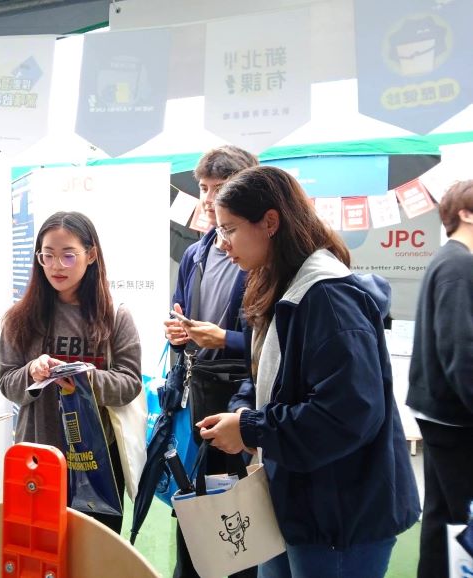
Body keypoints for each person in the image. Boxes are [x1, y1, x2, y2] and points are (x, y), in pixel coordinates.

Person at [198, 165, 420, 578]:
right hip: (295, 499)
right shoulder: (283, 286)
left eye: (228, 229)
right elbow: (265, 372)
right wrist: (244, 411)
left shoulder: (328, 298)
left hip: (339, 514)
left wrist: (252, 428)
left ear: (269, 222)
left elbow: (348, 414)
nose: (221, 244)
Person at [0, 211, 142, 533]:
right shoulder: (20, 318)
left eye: (67, 256)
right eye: (47, 256)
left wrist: (86, 378)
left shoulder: (115, 315)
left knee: (93, 556)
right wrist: (32, 373)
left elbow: (130, 382)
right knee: (39, 551)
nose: (55, 266)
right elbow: (8, 383)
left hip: (96, 462)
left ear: (91, 255)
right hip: (38, 456)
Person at [163, 145, 258, 578]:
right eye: (204, 188)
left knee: (242, 511)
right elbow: (179, 314)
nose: (209, 199)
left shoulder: (262, 259)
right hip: (199, 392)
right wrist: (179, 335)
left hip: (247, 395)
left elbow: (274, 342)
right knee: (196, 497)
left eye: (220, 188)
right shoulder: (195, 254)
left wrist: (226, 339)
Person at [407, 179, 473, 578]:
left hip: (441, 413)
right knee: (459, 519)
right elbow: (461, 354)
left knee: (443, 517)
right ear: (464, 213)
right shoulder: (459, 265)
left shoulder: (452, 260)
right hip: (455, 418)